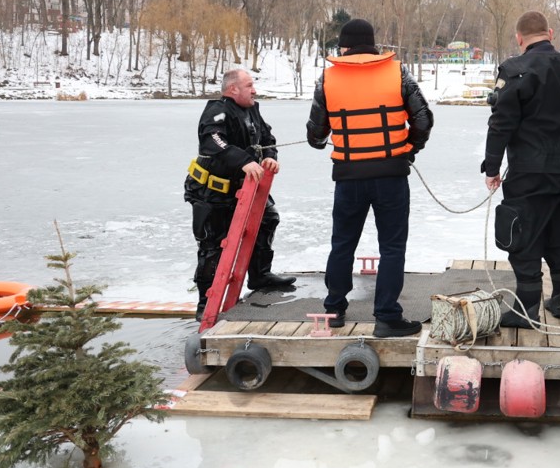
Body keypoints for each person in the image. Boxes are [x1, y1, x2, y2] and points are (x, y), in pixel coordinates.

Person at [306, 18, 434, 338]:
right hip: (391, 174)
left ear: (344, 47)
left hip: (348, 178)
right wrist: (410, 149)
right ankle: (387, 317)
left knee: (342, 243)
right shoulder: (398, 73)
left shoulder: (328, 78)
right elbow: (424, 118)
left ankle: (334, 308)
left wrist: (324, 138)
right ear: (372, 44)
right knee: (391, 247)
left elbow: (315, 134)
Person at [482, 11, 560, 328]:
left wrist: (492, 167)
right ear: (550, 33)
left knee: (523, 239)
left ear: (519, 38)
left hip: (529, 172)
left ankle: (526, 309)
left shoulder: (515, 70)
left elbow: (500, 124)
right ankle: (558, 299)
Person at [185, 68, 295, 322]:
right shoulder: (216, 111)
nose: (254, 89)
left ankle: (260, 275)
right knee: (212, 247)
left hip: (244, 189)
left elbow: (267, 137)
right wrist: (244, 161)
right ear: (233, 89)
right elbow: (212, 141)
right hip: (211, 192)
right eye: (249, 85)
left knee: (268, 220)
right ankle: (206, 303)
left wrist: (269, 157)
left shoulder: (253, 109)